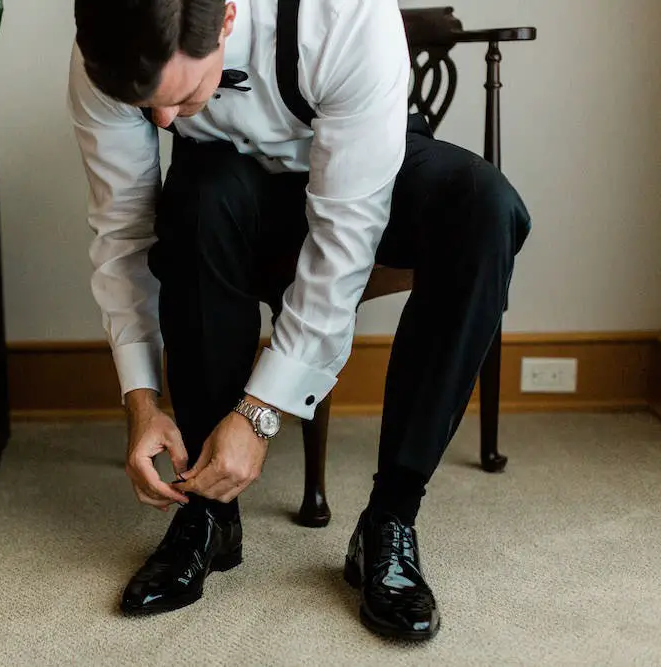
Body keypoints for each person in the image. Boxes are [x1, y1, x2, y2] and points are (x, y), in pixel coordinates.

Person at [66, 0, 531, 641]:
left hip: (357, 170)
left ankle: (390, 520)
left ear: (226, 18)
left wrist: (261, 413)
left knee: (486, 208)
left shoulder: (341, 15)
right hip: (229, 186)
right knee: (196, 202)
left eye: (181, 95)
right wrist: (142, 402)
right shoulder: (107, 45)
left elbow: (342, 243)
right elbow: (123, 233)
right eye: (147, 108)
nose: (163, 121)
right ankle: (205, 511)